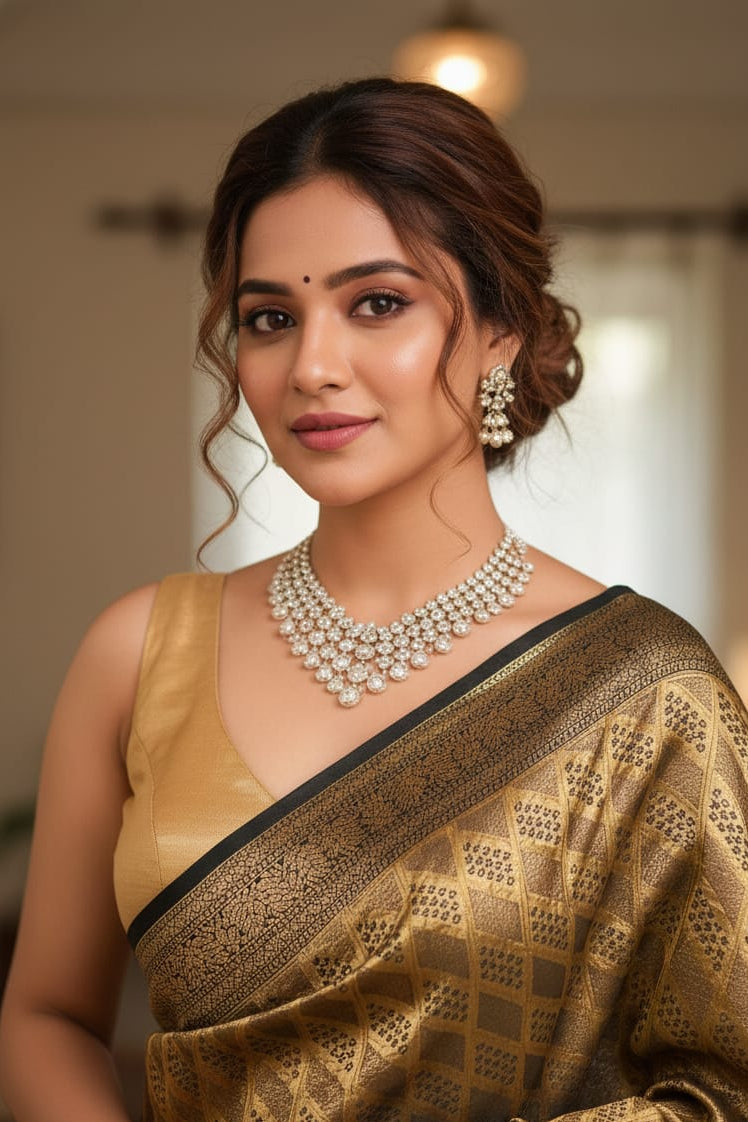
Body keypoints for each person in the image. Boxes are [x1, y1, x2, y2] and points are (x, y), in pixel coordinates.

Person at [1, 76, 747, 1122]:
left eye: (377, 304)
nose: (311, 365)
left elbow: (725, 1086)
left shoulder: (646, 693)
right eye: (269, 317)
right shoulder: (138, 653)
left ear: (501, 330)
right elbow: (48, 1019)